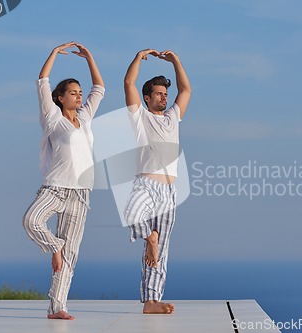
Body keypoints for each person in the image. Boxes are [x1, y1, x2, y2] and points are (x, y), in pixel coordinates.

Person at [22, 42, 104, 320]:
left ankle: (57, 307)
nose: (79, 96)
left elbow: (99, 89)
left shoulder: (85, 118)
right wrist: (55, 54)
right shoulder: (53, 119)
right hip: (55, 187)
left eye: (80, 93)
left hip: (81, 193)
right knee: (31, 220)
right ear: (60, 98)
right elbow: (42, 82)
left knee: (71, 256)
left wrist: (90, 58)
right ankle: (54, 246)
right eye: (73, 93)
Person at [123, 49, 191, 314]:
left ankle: (151, 300)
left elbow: (185, 90)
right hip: (146, 184)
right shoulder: (140, 117)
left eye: (165, 94)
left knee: (161, 250)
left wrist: (175, 61)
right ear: (147, 98)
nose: (164, 97)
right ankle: (148, 236)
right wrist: (139, 58)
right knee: (132, 213)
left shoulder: (173, 117)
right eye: (159, 94)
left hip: (170, 189)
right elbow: (128, 83)